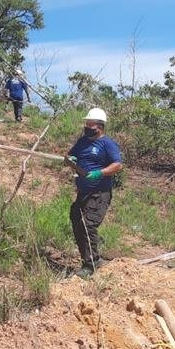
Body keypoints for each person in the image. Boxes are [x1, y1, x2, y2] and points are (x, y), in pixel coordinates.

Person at [65, 108, 123, 278]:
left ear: (100, 127)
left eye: (90, 125)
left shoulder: (107, 144)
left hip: (99, 193)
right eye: (86, 124)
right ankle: (88, 259)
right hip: (82, 192)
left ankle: (91, 265)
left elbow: (118, 165)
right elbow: (70, 155)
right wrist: (70, 159)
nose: (87, 127)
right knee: (77, 221)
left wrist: (100, 173)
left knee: (87, 224)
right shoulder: (83, 141)